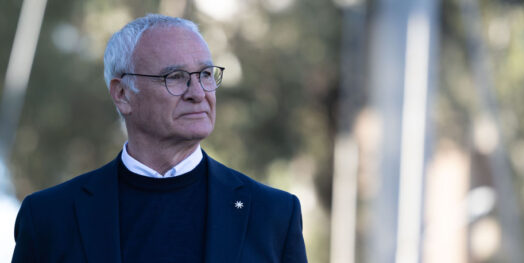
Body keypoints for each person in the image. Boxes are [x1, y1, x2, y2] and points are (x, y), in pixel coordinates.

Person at [12, 14, 307, 263]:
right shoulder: (49, 218)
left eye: (205, 74)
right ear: (123, 94)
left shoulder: (273, 214)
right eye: (176, 77)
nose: (198, 93)